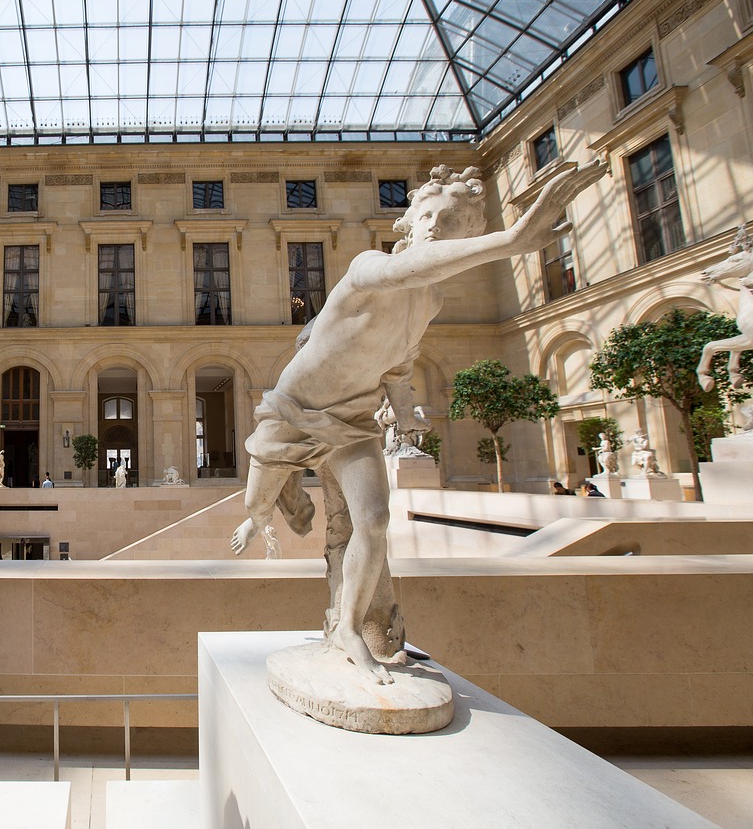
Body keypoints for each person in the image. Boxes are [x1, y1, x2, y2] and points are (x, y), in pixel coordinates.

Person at [230, 161, 606, 685]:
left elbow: (400, 365)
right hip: (293, 408)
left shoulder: (430, 299)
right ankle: (264, 513)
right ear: (407, 224)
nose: (434, 227)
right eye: (426, 215)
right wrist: (514, 238)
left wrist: (406, 414)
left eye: (450, 222)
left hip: (353, 418)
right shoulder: (368, 266)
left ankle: (350, 629)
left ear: (465, 234)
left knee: (376, 522)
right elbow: (415, 268)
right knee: (256, 504)